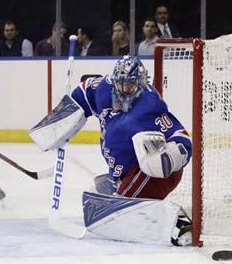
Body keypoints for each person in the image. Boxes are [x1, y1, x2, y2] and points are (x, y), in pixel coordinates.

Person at [29, 57, 192, 246]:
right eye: (120, 84)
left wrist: (169, 157)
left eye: (129, 85)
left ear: (140, 83)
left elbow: (181, 137)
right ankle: (125, 190)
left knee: (116, 212)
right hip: (126, 172)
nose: (123, 89)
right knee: (98, 192)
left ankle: (179, 225)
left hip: (151, 173)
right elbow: (84, 91)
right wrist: (61, 121)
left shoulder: (149, 106)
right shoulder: (104, 88)